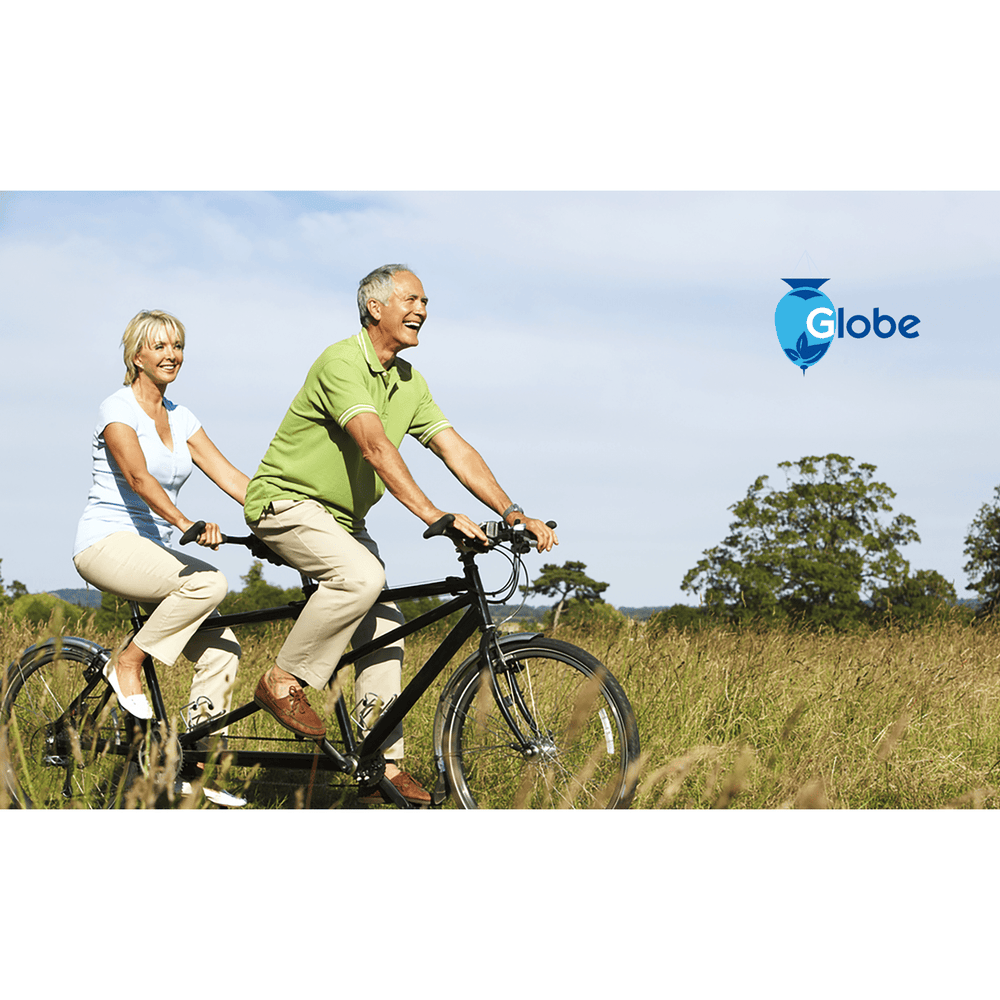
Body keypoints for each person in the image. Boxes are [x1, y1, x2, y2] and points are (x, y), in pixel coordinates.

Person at [244, 264, 558, 805]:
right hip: (286, 502)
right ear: (375, 307)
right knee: (362, 577)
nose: (422, 310)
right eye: (411, 299)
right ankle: (282, 679)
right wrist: (434, 513)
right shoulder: (342, 361)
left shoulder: (409, 381)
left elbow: (452, 446)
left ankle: (380, 762)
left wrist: (511, 511)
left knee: (387, 623)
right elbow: (374, 445)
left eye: (426, 302)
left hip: (345, 521)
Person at [73, 309, 250, 807]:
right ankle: (126, 663)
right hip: (106, 542)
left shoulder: (182, 416)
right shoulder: (117, 408)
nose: (172, 354)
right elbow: (137, 478)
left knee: (223, 651)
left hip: (154, 550)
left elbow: (231, 476)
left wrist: (279, 517)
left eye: (177, 345)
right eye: (160, 346)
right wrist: (185, 523)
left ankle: (189, 766)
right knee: (209, 583)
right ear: (136, 356)